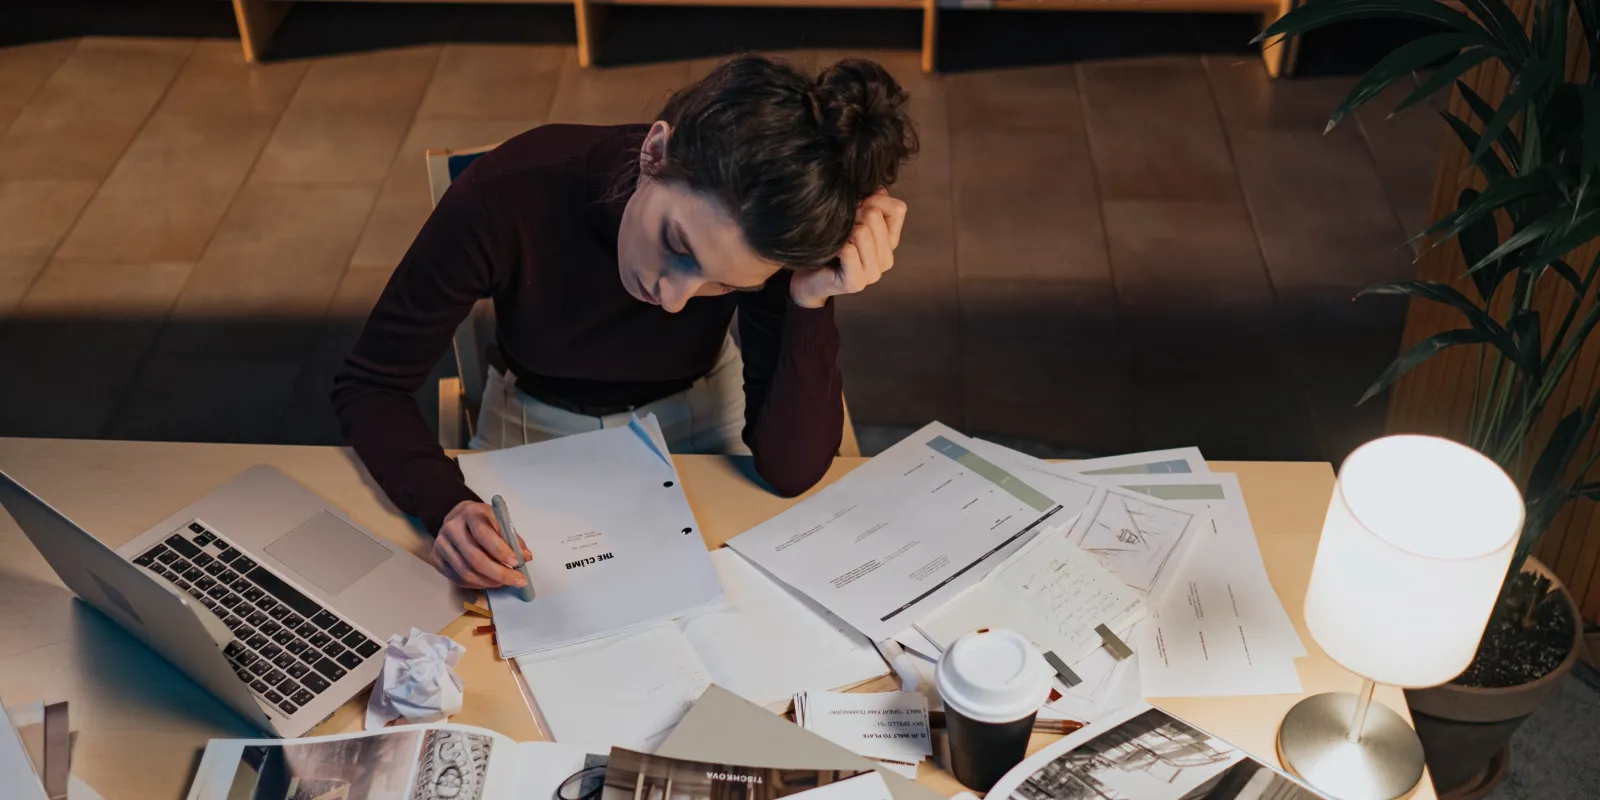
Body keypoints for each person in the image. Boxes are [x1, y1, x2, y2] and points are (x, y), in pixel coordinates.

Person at [332, 55, 919, 590]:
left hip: (700, 416)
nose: (672, 298)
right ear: (655, 154)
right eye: (678, 244)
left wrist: (811, 299)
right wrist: (447, 505)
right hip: (533, 425)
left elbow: (790, 472)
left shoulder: (765, 239)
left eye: (724, 286)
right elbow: (370, 385)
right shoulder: (508, 194)